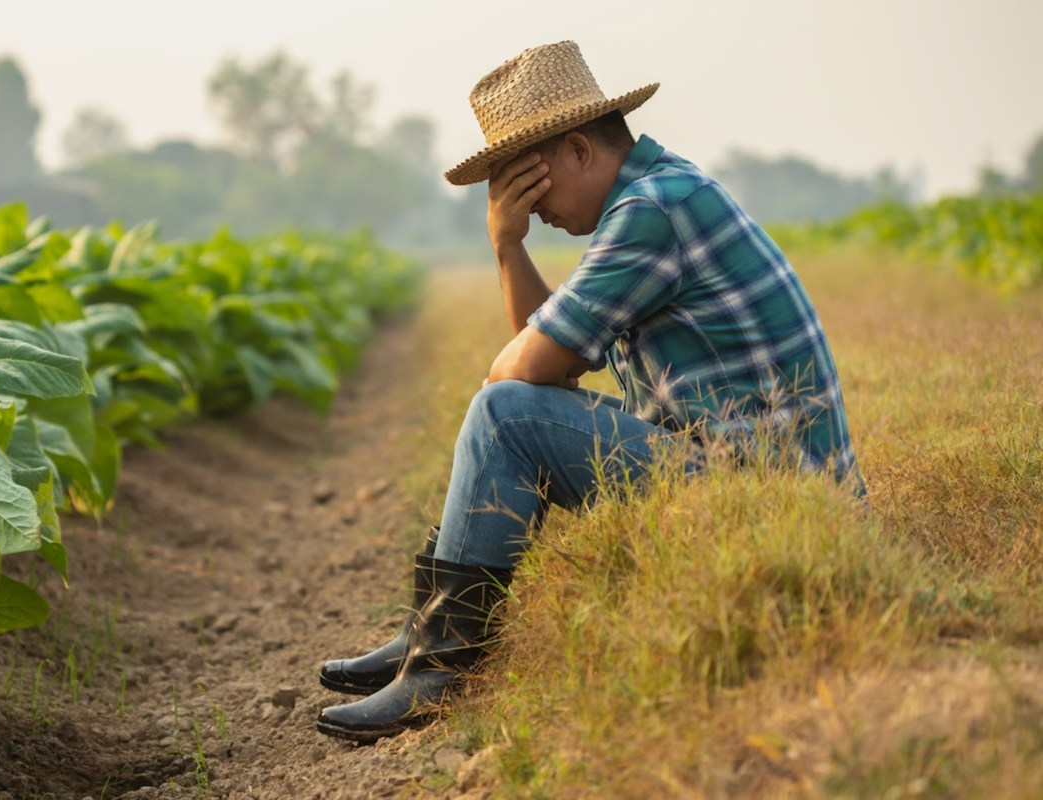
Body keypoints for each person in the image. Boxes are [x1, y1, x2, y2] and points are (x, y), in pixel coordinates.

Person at [314, 40, 863, 743]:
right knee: (510, 412)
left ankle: (440, 666)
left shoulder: (651, 212)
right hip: (761, 481)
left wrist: (512, 305)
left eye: (525, 184)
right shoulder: (660, 192)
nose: (526, 208)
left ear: (576, 151)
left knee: (504, 415)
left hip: (773, 501)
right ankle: (430, 638)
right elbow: (556, 361)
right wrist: (508, 248)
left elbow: (522, 374)